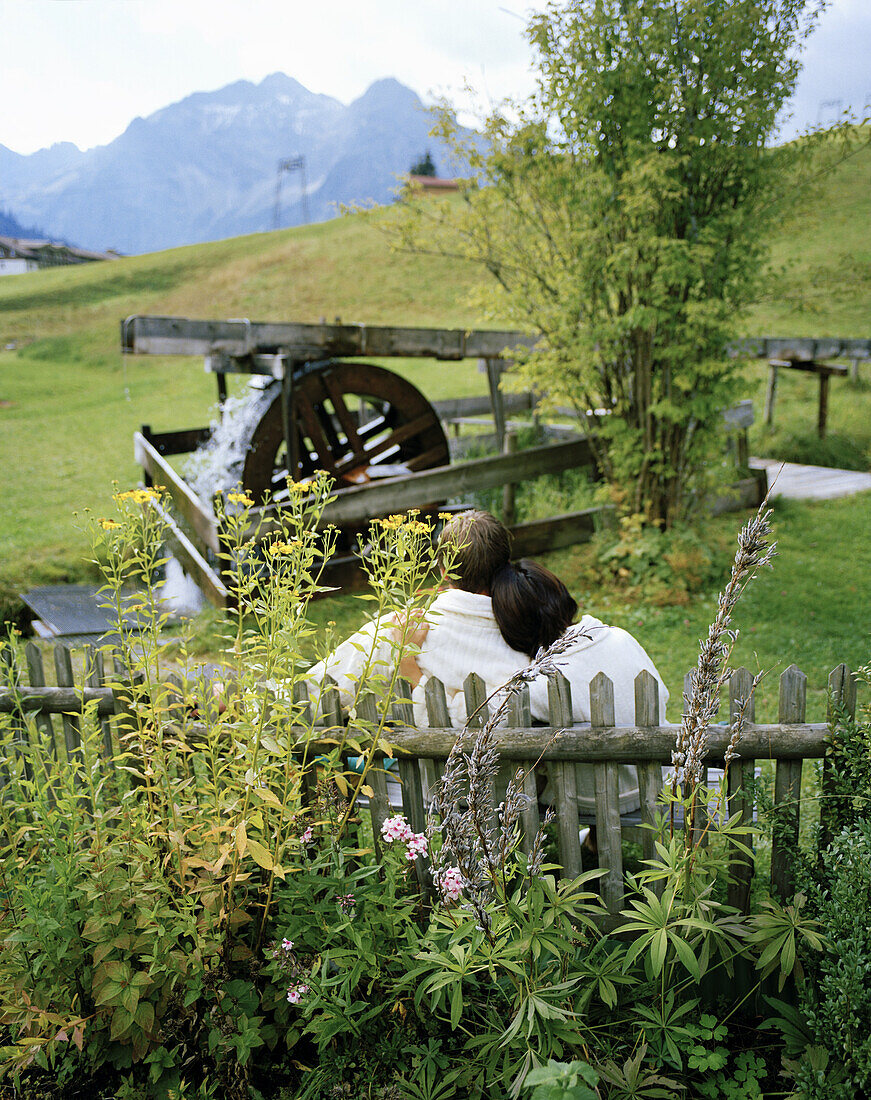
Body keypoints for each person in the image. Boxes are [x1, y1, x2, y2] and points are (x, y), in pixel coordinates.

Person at [305, 510, 531, 727]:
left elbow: (311, 695)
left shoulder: (396, 632)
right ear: (506, 565)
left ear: (443, 569)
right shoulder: (530, 635)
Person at [489, 557, 669, 814]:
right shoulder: (620, 637)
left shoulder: (538, 685)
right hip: (657, 782)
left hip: (593, 800)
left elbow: (493, 715)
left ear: (512, 628)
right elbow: (662, 694)